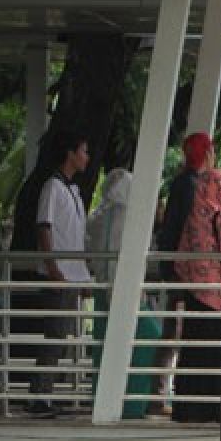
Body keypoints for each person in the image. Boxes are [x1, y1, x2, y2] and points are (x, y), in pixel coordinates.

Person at [171, 167, 221, 423]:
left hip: (196, 293)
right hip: (217, 296)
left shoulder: (193, 217)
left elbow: (181, 257)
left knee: (194, 351)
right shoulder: (219, 215)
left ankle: (189, 409)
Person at [84, 168, 159, 419]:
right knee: (147, 338)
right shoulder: (129, 217)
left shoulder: (97, 217)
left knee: (105, 349)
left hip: (102, 290)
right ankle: (132, 403)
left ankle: (104, 401)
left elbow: (91, 252)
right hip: (123, 291)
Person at [28, 131, 92, 418]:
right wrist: (52, 267)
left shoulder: (73, 192)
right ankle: (40, 395)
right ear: (71, 153)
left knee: (61, 336)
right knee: (54, 334)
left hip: (72, 274)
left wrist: (83, 275)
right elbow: (44, 226)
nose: (87, 157)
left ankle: (46, 393)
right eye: (84, 151)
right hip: (58, 274)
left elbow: (75, 238)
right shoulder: (52, 187)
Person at [151, 132, 214, 414]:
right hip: (186, 271)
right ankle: (160, 395)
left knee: (175, 330)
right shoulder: (194, 187)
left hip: (176, 268)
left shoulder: (181, 184)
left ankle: (161, 394)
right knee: (177, 331)